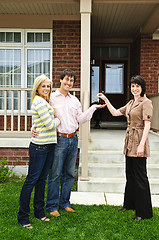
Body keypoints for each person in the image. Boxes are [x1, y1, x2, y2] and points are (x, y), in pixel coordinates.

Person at [32, 69, 105, 217]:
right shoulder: (51, 97)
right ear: (60, 80)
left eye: (71, 80)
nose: (68, 82)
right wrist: (33, 127)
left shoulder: (75, 100)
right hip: (59, 139)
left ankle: (65, 203)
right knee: (55, 173)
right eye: (66, 79)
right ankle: (52, 206)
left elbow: (80, 119)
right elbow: (39, 114)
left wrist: (92, 108)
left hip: (73, 138)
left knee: (69, 174)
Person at [97, 75, 153, 221]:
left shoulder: (146, 102)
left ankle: (144, 212)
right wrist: (106, 100)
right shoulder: (130, 103)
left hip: (138, 140)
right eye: (132, 86)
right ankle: (129, 204)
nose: (134, 89)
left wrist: (141, 144)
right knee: (130, 175)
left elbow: (147, 125)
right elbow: (115, 113)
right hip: (129, 142)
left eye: (137, 86)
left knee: (140, 177)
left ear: (142, 88)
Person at [18, 74, 60, 228]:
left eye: (48, 86)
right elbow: (50, 125)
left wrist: (35, 126)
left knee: (42, 181)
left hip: (49, 145)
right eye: (44, 86)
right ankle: (23, 217)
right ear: (37, 87)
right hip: (39, 147)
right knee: (32, 181)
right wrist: (58, 119)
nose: (47, 89)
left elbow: (39, 123)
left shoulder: (45, 101)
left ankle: (39, 212)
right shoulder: (40, 102)